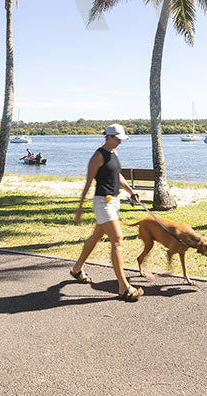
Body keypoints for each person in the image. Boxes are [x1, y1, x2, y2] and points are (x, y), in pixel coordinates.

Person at [69, 124, 144, 301]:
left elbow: (118, 176)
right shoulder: (97, 157)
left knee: (95, 237)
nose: (120, 142)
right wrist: (80, 207)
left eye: (121, 139)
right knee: (118, 239)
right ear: (108, 137)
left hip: (114, 201)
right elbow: (88, 183)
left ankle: (77, 269)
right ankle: (123, 287)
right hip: (102, 203)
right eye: (117, 139)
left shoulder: (114, 154)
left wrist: (131, 192)